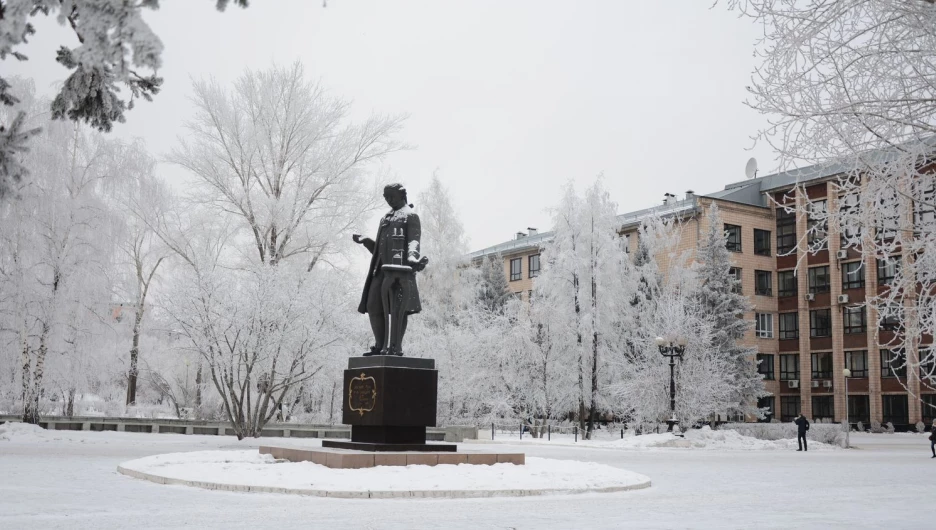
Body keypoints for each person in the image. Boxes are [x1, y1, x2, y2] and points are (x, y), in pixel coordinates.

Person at [352, 183, 428, 357]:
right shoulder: (386, 217)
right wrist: (366, 241)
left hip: (399, 271)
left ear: (402, 195)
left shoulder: (410, 216)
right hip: (380, 270)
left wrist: (413, 259)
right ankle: (380, 345)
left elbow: (413, 242)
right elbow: (379, 249)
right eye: (386, 198)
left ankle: (394, 347)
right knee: (373, 305)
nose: (389, 200)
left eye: (391, 196)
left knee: (399, 309)